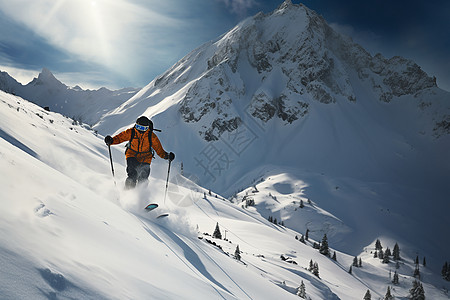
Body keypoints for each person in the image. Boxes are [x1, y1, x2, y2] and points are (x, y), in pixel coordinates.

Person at [104, 116, 175, 189]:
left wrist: (166, 156)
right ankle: (127, 193)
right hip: (132, 154)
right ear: (136, 125)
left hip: (146, 157)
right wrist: (111, 141)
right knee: (132, 175)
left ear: (147, 128)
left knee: (143, 179)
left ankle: (141, 196)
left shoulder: (151, 136)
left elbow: (158, 149)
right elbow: (120, 137)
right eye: (138, 127)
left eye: (143, 128)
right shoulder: (132, 132)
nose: (140, 130)